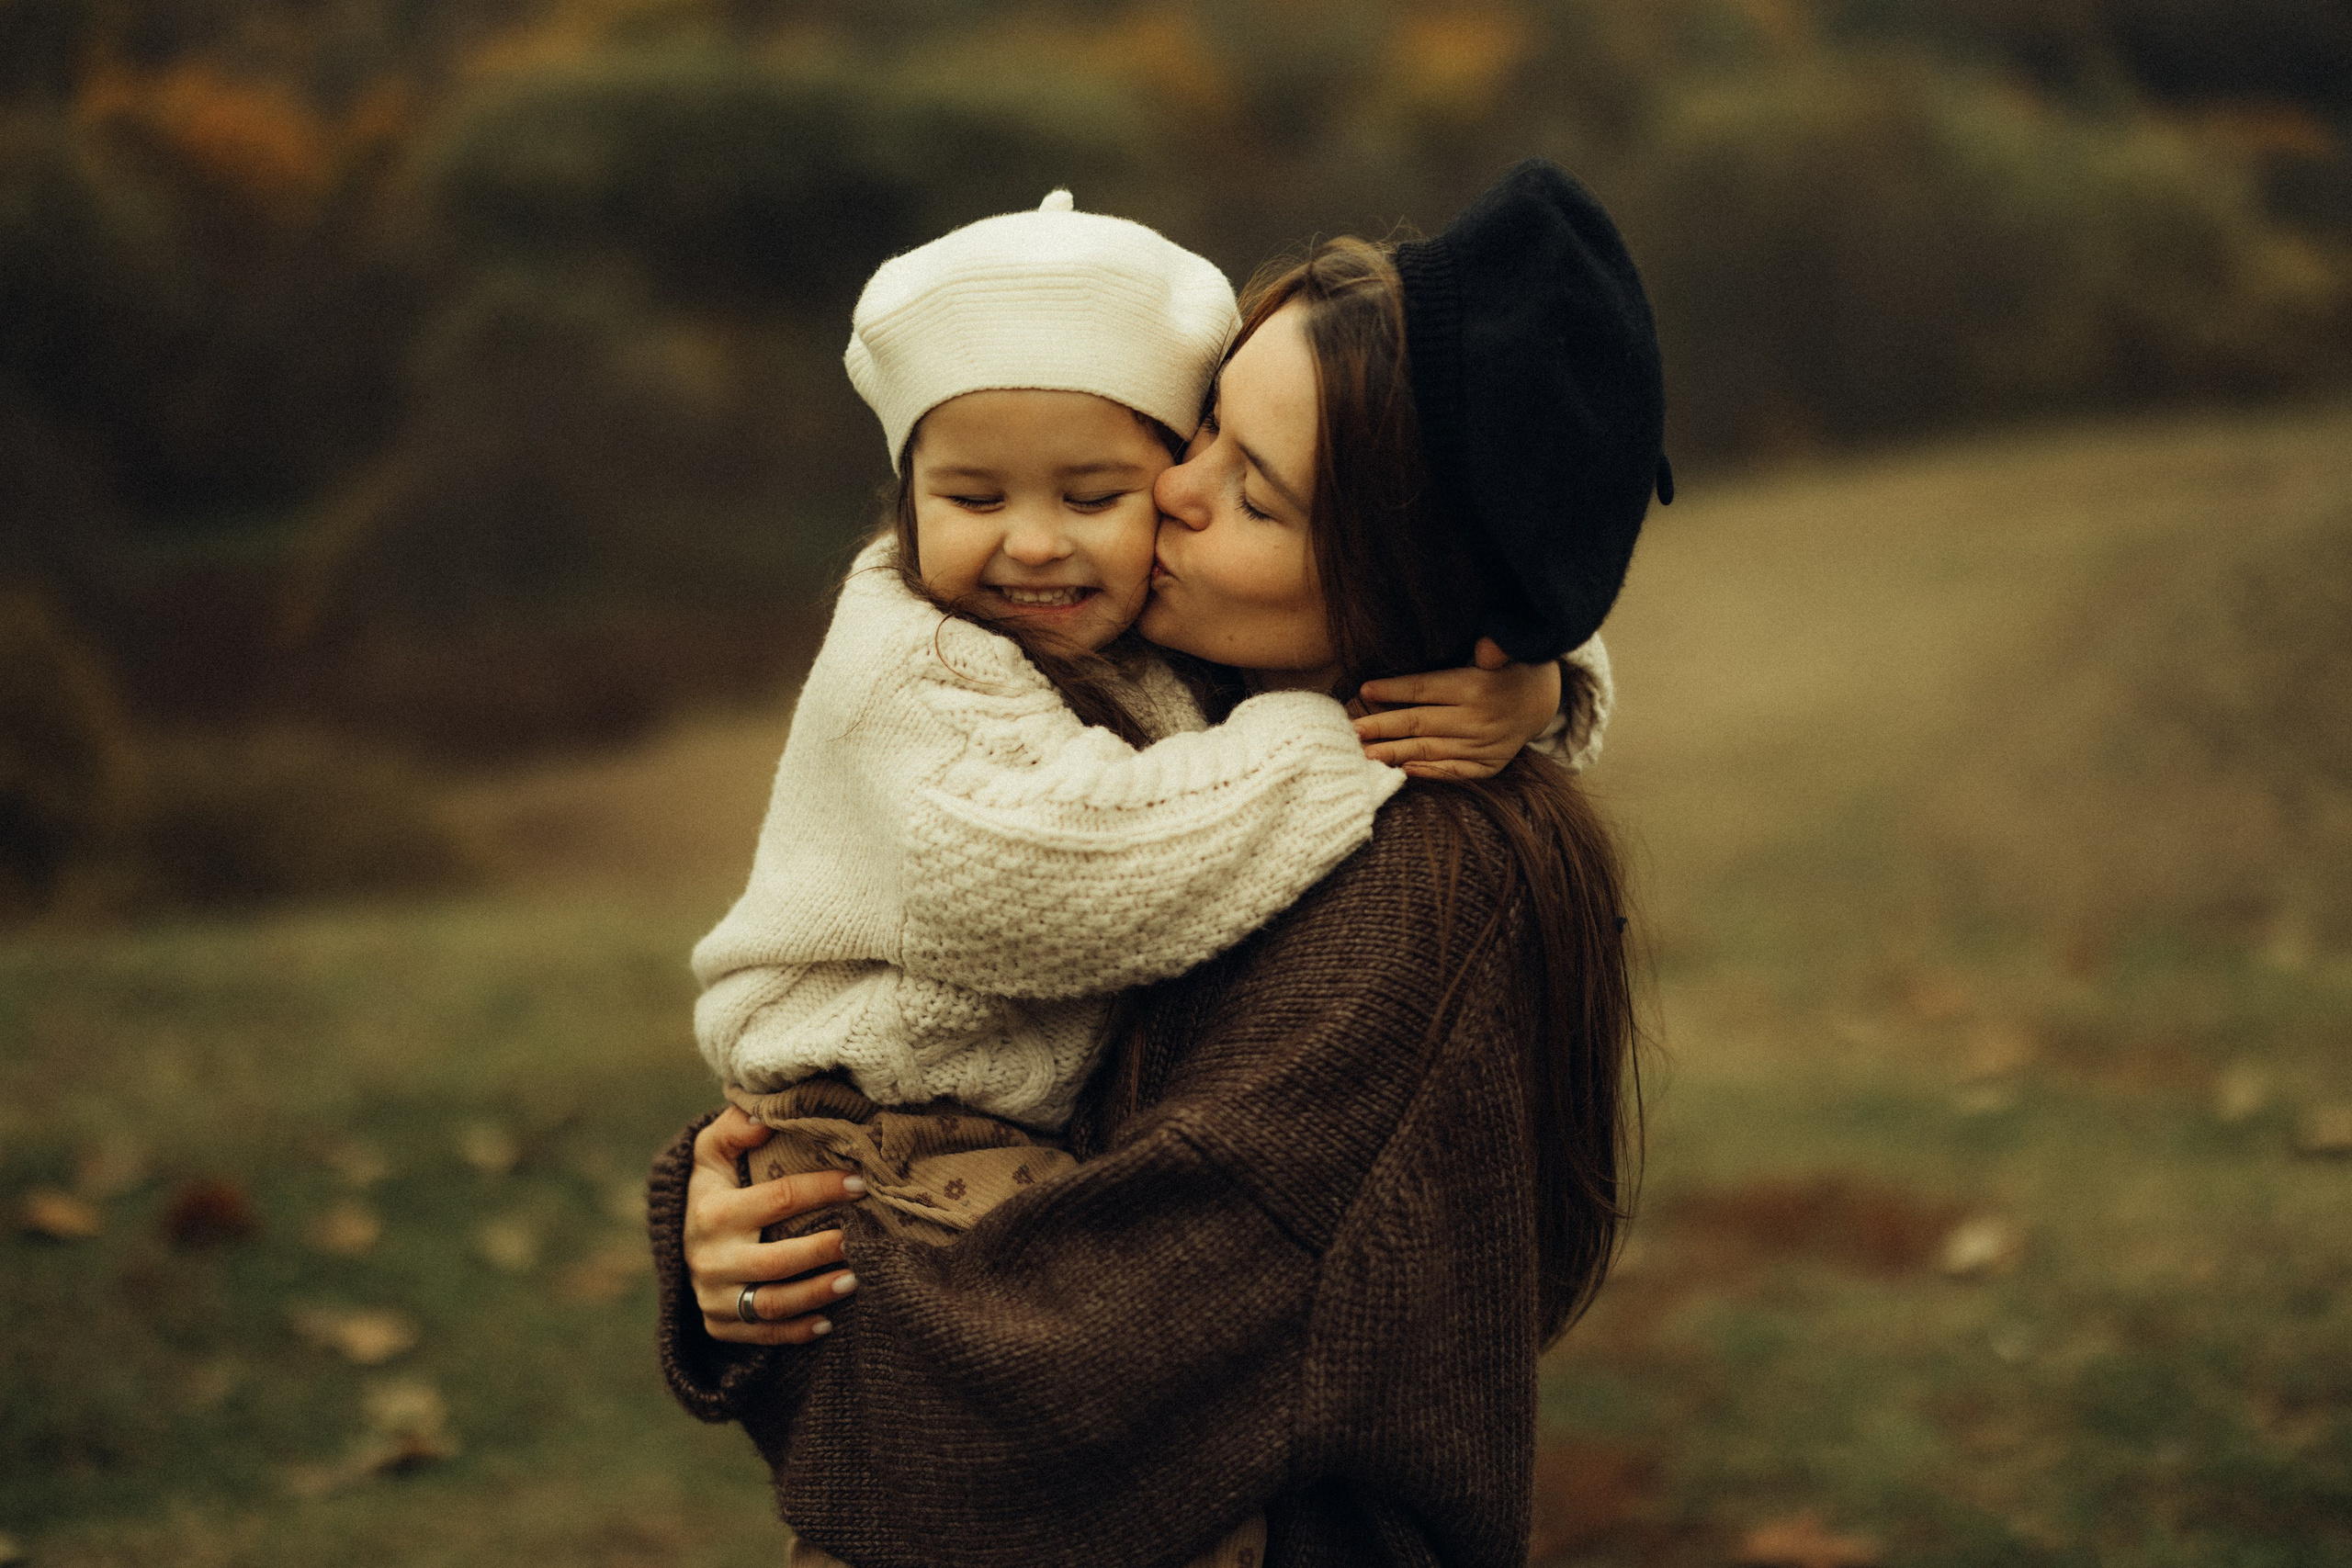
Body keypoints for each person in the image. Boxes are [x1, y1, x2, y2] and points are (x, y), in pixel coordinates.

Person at [653, 159, 1668, 1568]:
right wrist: (729, 1216)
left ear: (1413, 586)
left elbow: (1072, 1358)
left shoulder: (1415, 885)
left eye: (1253, 495)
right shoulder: (1149, 684)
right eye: (1203, 433)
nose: (1165, 500)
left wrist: (798, 1291)